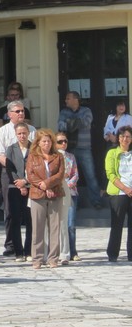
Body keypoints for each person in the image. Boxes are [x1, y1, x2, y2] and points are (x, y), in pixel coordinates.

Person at [0, 100, 36, 257]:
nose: (21, 114)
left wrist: (26, 177)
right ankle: (11, 244)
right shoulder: (3, 131)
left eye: (22, 111)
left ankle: (29, 247)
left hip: (30, 174)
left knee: (30, 211)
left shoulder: (32, 130)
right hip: (9, 173)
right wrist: (16, 172)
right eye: (17, 111)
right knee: (11, 211)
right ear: (9, 113)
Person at [25, 128, 65, 269]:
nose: (47, 144)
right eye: (44, 141)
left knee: (54, 227)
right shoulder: (32, 156)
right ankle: (37, 258)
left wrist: (48, 185)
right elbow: (31, 175)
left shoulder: (58, 156)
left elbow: (60, 175)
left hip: (55, 194)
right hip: (37, 194)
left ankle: (53, 258)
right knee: (38, 227)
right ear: (38, 143)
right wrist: (43, 187)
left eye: (49, 141)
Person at [58, 91, 102, 209]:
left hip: (84, 148)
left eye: (68, 98)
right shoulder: (64, 112)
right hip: (69, 149)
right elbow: (61, 126)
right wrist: (75, 123)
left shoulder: (86, 111)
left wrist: (71, 122)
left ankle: (96, 201)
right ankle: (71, 201)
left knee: (90, 175)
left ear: (75, 99)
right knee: (69, 175)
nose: (66, 101)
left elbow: (86, 122)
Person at [4, 122, 34, 262]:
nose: (22, 136)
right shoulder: (11, 149)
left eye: (24, 133)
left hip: (31, 187)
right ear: (16, 134)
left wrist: (26, 182)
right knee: (15, 219)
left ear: (28, 133)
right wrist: (19, 183)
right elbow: (9, 168)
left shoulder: (34, 148)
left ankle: (29, 251)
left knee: (30, 220)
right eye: (19, 133)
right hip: (14, 187)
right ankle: (18, 252)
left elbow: (36, 168)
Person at [104, 125, 132, 262]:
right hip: (119, 193)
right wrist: (126, 189)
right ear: (118, 138)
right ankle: (113, 253)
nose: (125, 139)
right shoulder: (112, 153)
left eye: (128, 136)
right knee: (117, 225)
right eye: (122, 136)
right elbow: (111, 174)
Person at [55, 131, 80, 263]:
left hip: (71, 192)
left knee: (71, 224)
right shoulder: (52, 157)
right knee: (58, 224)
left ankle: (73, 251)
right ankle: (59, 250)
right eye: (60, 141)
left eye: (65, 141)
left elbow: (75, 174)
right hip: (56, 193)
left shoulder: (71, 156)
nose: (63, 143)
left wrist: (67, 184)